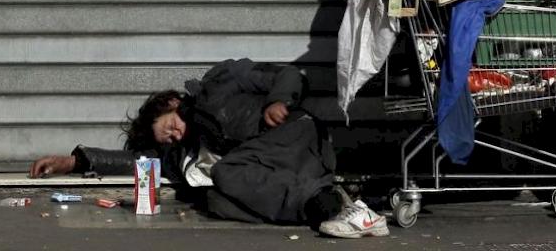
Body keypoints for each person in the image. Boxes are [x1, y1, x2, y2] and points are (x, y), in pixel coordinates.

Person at [30, 58, 389, 239]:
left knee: (225, 172)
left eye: (169, 126)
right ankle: (336, 208)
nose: (174, 136)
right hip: (280, 172)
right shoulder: (179, 156)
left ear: (172, 102)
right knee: (217, 200)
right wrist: (74, 161)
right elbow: (135, 163)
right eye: (167, 140)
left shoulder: (221, 83)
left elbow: (289, 74)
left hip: (295, 136)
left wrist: (278, 101)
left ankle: (330, 206)